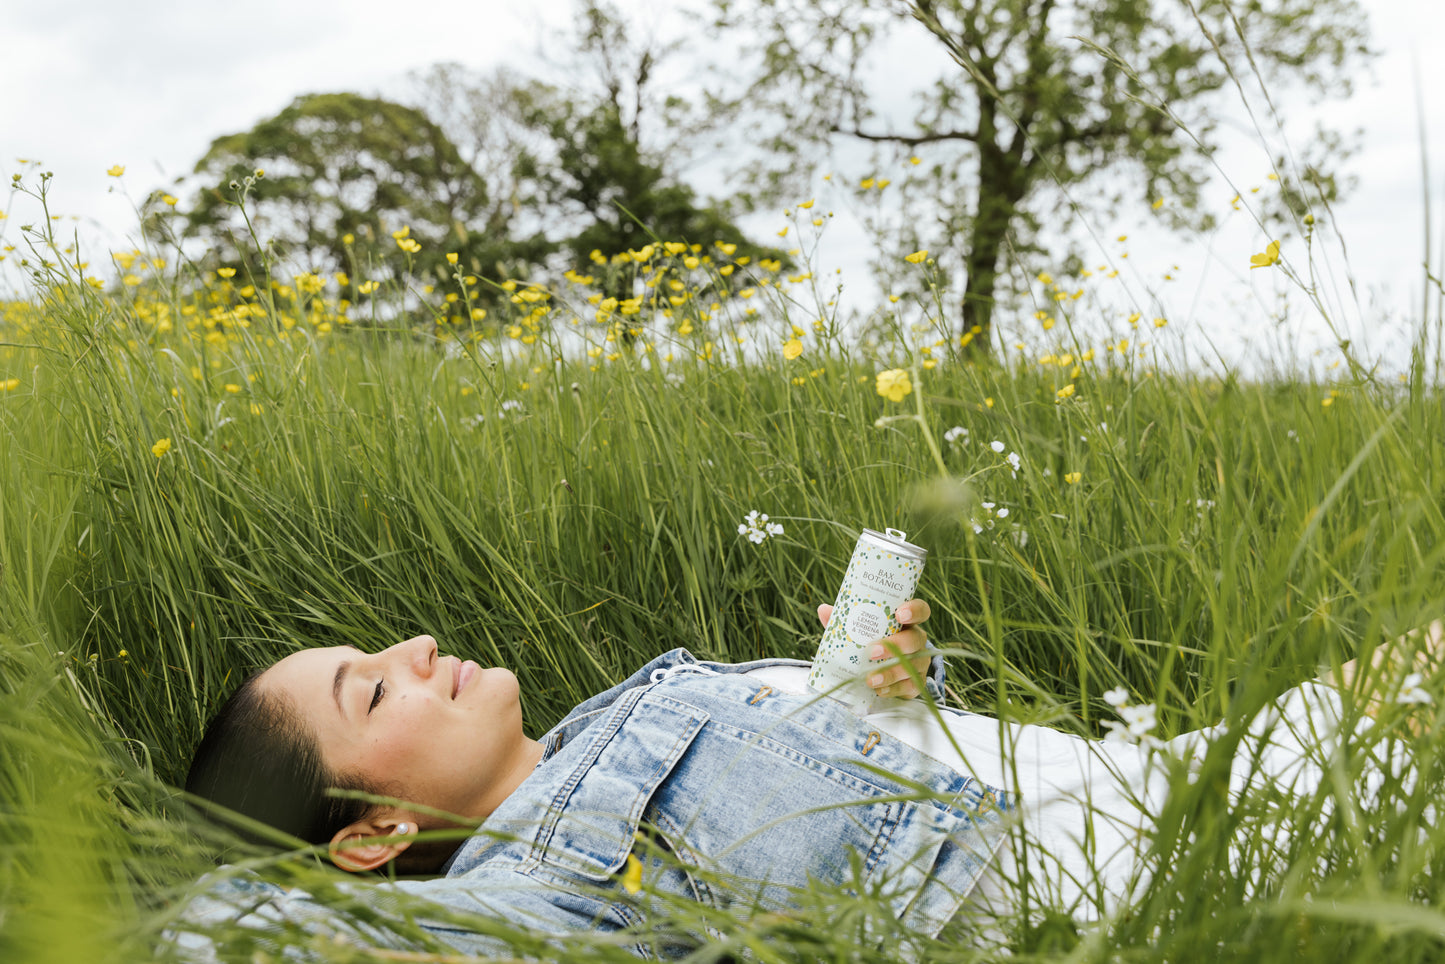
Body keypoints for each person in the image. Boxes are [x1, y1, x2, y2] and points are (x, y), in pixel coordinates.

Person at [178, 605, 1439, 959]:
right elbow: (237, 937)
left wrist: (885, 694)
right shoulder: (532, 890)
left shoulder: (610, 728)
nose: (411, 652)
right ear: (370, 839)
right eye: (371, 692)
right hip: (1152, 875)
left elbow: (876, 798)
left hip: (1166, 778)